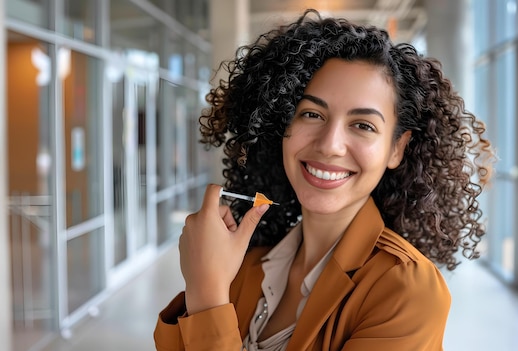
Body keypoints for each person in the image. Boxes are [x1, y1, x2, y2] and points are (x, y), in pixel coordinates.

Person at [154, 9, 494, 351]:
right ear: (281, 127)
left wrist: (208, 293)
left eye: (363, 125)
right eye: (312, 114)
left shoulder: (408, 289)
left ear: (396, 149)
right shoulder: (245, 264)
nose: (329, 145)